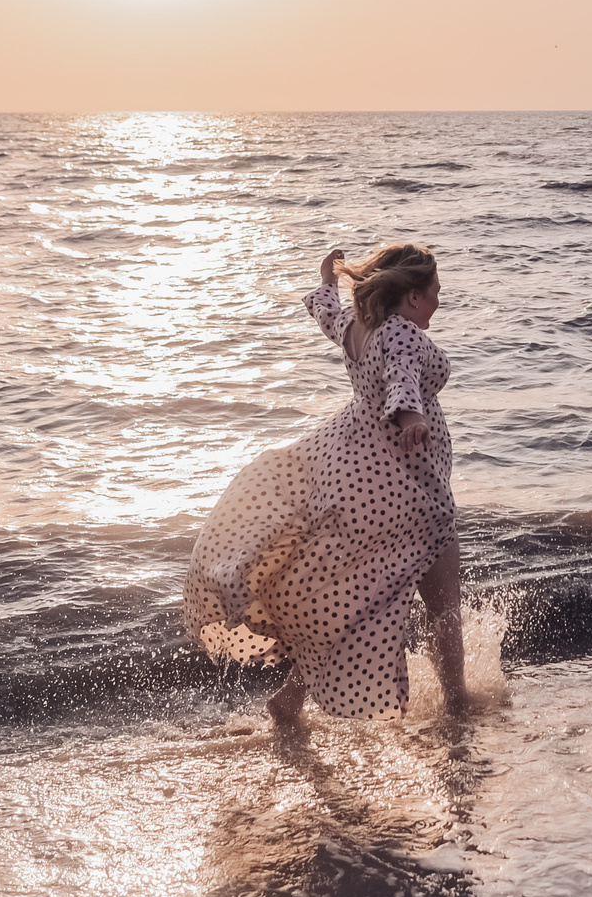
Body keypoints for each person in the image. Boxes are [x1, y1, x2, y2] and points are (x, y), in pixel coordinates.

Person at [183, 242, 466, 728]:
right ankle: (459, 706)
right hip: (414, 494)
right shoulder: (401, 332)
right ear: (414, 296)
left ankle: (291, 700)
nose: (439, 302)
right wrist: (412, 415)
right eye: (436, 293)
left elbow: (329, 317)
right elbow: (402, 382)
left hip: (363, 482)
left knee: (359, 602)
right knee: (444, 608)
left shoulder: (361, 327)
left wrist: (326, 282)